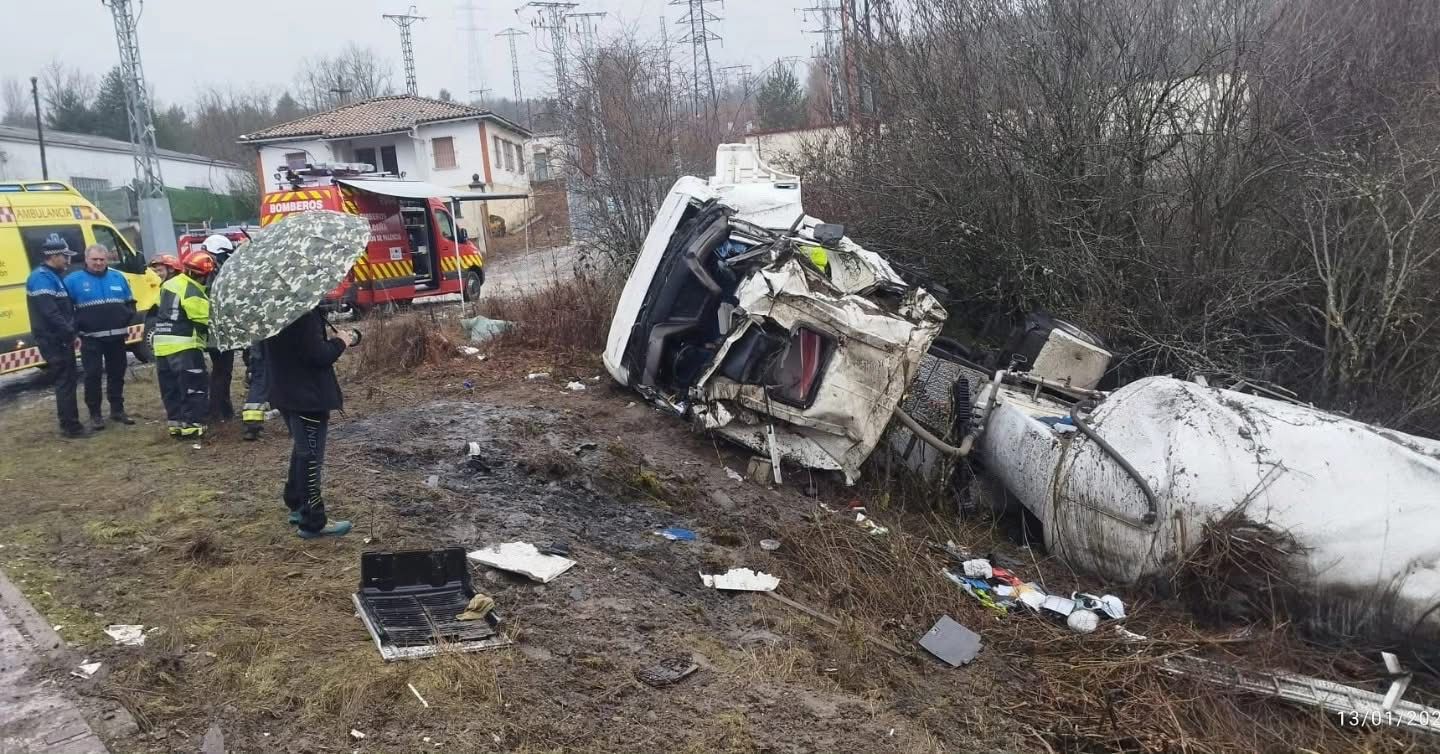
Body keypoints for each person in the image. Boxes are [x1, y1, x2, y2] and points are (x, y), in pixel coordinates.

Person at [266, 307, 357, 538]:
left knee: (303, 449)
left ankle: (296, 502)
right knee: (310, 457)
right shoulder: (302, 313)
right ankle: (313, 520)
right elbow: (317, 355)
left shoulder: (275, 310)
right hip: (307, 397)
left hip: (286, 392)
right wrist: (340, 342)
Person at [65, 245, 136, 430]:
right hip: (90, 339)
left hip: (117, 337)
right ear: (86, 259)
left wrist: (124, 318)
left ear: (107, 260)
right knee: (93, 376)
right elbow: (66, 311)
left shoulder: (118, 277)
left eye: (102, 259)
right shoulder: (73, 281)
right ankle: (95, 414)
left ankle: (117, 410)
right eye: (94, 259)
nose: (98, 263)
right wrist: (75, 331)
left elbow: (130, 302)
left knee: (117, 374)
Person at [25, 234, 85, 438]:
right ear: (54, 256)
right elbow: (50, 313)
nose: (68, 261)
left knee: (68, 379)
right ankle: (71, 427)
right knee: (65, 381)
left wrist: (71, 332)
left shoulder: (51, 276)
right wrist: (70, 333)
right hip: (54, 339)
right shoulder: (41, 277)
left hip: (60, 338)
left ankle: (71, 423)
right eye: (65, 257)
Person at [153, 251, 216, 439]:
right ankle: (192, 425)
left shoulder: (169, 284)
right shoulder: (192, 289)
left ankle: (176, 424)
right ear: (202, 274)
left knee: (170, 388)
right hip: (184, 345)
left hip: (161, 345)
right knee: (193, 385)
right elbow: (203, 318)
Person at [200, 235, 237, 424]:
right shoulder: (217, 274)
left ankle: (223, 408)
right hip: (219, 330)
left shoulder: (202, 272)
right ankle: (217, 411)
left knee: (220, 371)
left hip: (212, 329)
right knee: (222, 371)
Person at [240, 343, 269, 441]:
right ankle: (252, 427)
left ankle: (250, 426)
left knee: (257, 384)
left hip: (256, 348)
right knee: (260, 383)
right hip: (265, 347)